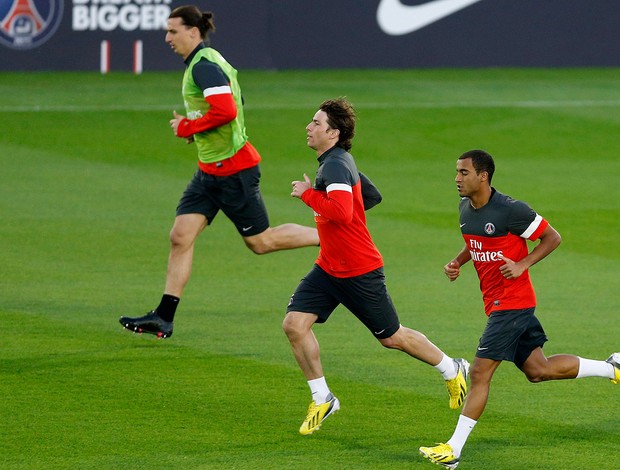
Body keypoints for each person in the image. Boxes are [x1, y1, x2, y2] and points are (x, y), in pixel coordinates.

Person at [119, 5, 319, 338]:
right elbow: (236, 102)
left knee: (261, 241)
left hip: (233, 171)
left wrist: (188, 126)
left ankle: (328, 236)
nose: (167, 38)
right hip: (209, 171)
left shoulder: (204, 67)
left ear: (193, 32)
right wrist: (201, 131)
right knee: (180, 236)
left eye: (173, 31)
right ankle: (164, 317)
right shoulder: (208, 60)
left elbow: (226, 109)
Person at [419, 149, 620, 469]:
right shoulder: (465, 209)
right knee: (538, 370)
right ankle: (613, 368)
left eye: (463, 172)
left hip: (512, 304)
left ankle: (453, 449)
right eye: (456, 172)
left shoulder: (511, 210)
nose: (457, 178)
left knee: (481, 371)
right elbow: (475, 242)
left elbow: (552, 238)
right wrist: (458, 262)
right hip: (499, 304)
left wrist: (523, 263)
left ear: (483, 176)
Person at [284, 97, 470, 436]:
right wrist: (343, 223)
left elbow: (340, 212)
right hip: (329, 267)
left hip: (358, 270)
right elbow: (370, 197)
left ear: (333, 132)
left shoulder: (335, 166)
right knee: (295, 324)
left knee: (392, 337)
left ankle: (452, 367)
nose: (309, 128)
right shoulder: (339, 161)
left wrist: (308, 194)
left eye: (315, 123)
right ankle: (322, 397)